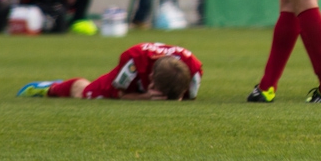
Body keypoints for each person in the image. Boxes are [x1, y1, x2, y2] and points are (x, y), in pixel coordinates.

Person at [17, 42, 203, 101]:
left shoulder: (194, 70)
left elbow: (190, 97)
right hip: (128, 79)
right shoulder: (134, 60)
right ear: (151, 76)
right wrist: (144, 96)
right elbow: (120, 93)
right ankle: (50, 88)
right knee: (85, 93)